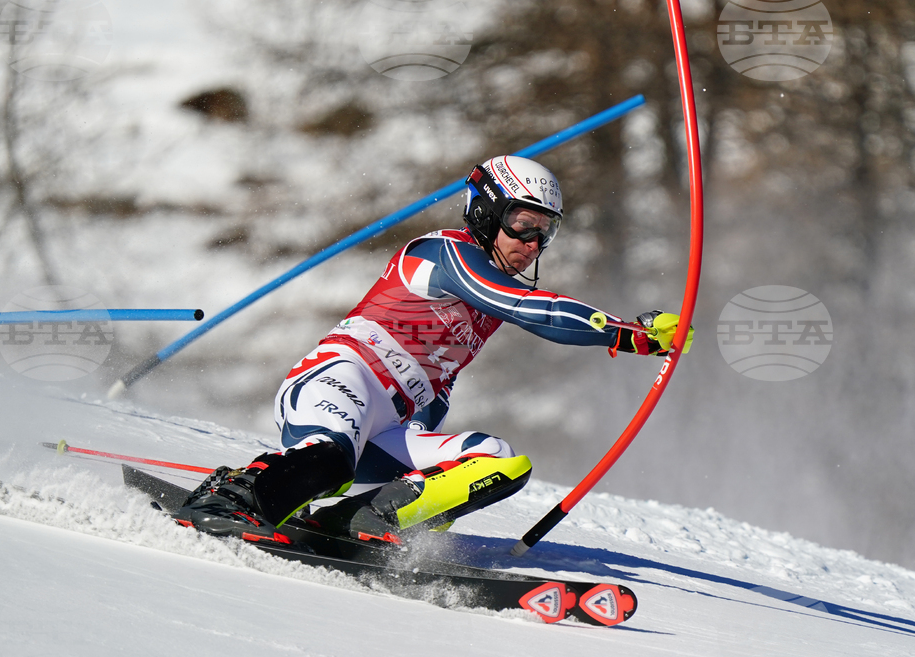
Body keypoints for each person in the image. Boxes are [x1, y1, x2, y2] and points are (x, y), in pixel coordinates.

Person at [175, 155, 693, 546]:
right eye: (522, 223)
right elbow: (540, 312)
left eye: (545, 231)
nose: (532, 243)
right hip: (342, 379)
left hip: (390, 425)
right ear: (488, 211)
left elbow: (442, 375)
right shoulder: (447, 254)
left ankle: (353, 521)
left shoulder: (494, 298)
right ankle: (232, 496)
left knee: (499, 462)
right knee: (330, 460)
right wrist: (631, 334)